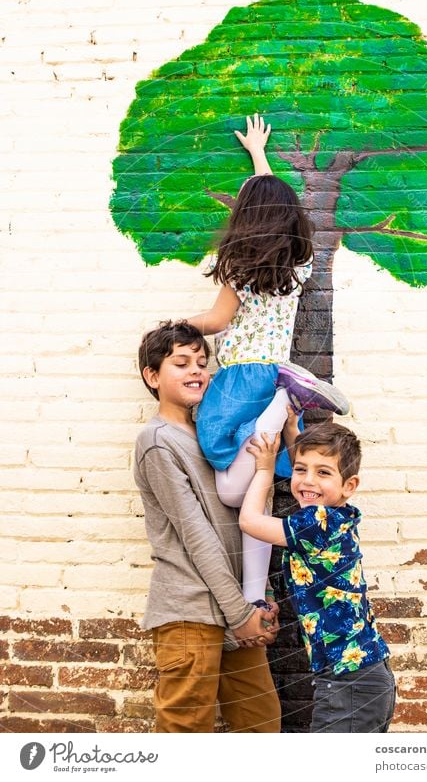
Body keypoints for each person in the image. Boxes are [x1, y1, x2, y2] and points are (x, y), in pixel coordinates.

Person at [187, 113, 349, 611]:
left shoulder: (238, 267)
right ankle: (256, 595)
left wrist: (174, 328)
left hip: (238, 384)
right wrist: (260, 156)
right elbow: (275, 201)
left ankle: (286, 401)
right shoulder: (299, 266)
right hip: (270, 375)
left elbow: (216, 320)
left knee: (234, 490)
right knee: (254, 490)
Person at [134, 319, 282, 733]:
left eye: (202, 362)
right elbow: (197, 535)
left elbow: (247, 516)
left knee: (262, 726)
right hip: (191, 612)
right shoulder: (158, 440)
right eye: (181, 363)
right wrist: (241, 613)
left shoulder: (213, 435)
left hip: (237, 607)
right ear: (152, 376)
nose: (197, 370)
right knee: (187, 734)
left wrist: (259, 597)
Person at [239, 422, 396, 733]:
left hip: (348, 682)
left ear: (349, 485)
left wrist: (265, 469)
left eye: (323, 473)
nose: (308, 481)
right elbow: (315, 476)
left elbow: (249, 521)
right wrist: (290, 426)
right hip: (364, 677)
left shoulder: (315, 523)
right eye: (300, 469)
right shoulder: (338, 516)